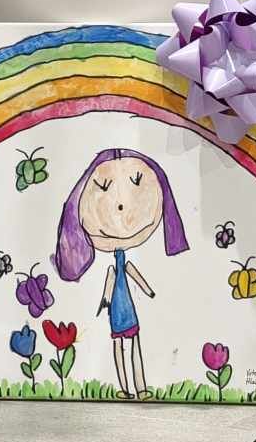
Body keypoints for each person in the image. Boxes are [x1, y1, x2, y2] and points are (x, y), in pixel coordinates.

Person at [51, 148, 188, 400]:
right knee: (119, 346)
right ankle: (125, 388)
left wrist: (148, 290)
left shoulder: (122, 266)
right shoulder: (114, 268)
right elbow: (111, 279)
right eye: (103, 188)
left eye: (137, 183)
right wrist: (106, 300)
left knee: (131, 344)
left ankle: (141, 388)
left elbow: (131, 274)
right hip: (118, 311)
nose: (121, 206)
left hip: (126, 310)